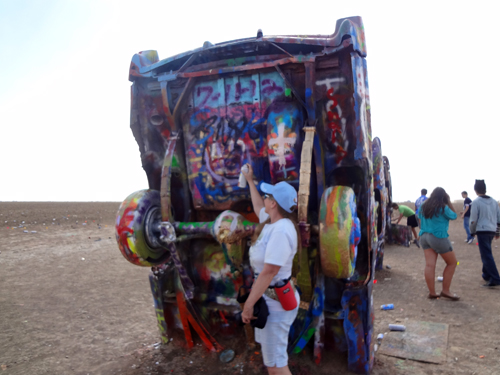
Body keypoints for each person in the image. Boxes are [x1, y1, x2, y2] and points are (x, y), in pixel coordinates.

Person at [241, 164, 300, 375]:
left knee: (276, 366)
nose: (264, 199)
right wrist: (249, 180)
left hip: (276, 304)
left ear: (273, 203)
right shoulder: (271, 221)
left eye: (267, 196)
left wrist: (248, 305)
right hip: (272, 299)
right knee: (273, 361)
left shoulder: (282, 230)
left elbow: (269, 272)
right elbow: (258, 207)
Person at [418, 187, 459, 300]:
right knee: (452, 263)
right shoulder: (443, 207)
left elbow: (419, 218)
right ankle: (445, 291)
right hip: (438, 236)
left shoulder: (424, 206)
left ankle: (432, 292)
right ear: (443, 196)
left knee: (429, 265)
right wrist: (449, 201)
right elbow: (454, 216)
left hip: (424, 236)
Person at [469, 179, 500, 287]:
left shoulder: (476, 202)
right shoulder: (494, 201)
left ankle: (495, 278)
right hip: (491, 230)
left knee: (486, 255)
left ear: (475, 189)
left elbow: (473, 219)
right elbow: (498, 218)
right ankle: (486, 274)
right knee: (487, 252)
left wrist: (472, 231)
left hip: (482, 230)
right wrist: (497, 232)